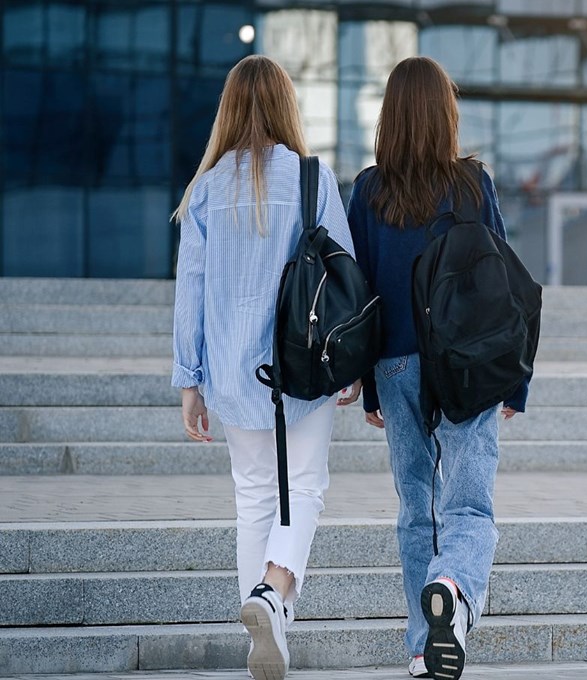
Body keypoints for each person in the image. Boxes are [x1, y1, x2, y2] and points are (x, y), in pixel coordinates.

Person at [171, 54, 361, 680]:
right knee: (303, 487)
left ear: (228, 110)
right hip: (302, 366)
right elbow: (343, 275)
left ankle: (265, 623)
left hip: (230, 369)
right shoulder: (311, 178)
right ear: (286, 106)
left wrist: (189, 379)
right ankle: (273, 596)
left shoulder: (205, 189)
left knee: (252, 498)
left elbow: (190, 290)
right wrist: (350, 363)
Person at [347, 56, 528, 680]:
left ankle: (425, 647)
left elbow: (361, 293)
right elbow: (503, 288)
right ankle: (452, 587)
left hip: (396, 363)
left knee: (415, 503)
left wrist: (368, 382)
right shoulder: (473, 184)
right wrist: (516, 381)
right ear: (446, 114)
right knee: (469, 506)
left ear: (389, 116)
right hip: (469, 364)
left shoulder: (369, 190)